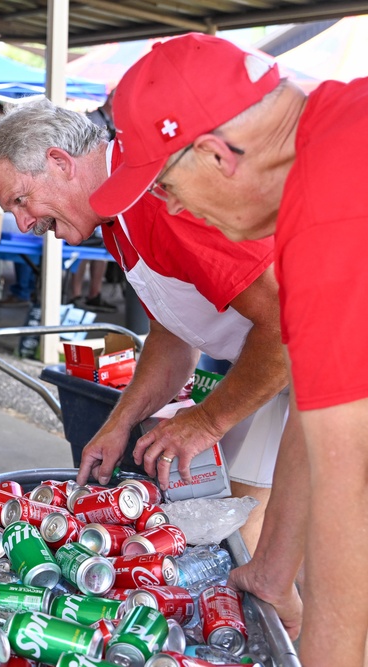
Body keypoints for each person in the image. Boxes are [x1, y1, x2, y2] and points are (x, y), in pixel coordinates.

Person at [92, 33, 368, 663]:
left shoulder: (327, 222)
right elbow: (320, 419)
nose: (171, 207)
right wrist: (273, 568)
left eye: (163, 187)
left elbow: (348, 492)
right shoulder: (343, 121)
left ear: (216, 156)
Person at [0, 99, 290, 555]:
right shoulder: (115, 216)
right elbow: (171, 332)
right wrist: (119, 424)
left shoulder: (161, 197)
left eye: (21, 200)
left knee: (277, 551)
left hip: (326, 365)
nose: (25, 224)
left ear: (60, 163)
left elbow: (286, 322)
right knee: (246, 548)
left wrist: (206, 421)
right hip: (279, 370)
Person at [70, 89, 118, 313]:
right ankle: (76, 292)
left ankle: (94, 293)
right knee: (82, 244)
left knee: (103, 246)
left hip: (109, 193)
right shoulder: (93, 120)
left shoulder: (117, 122)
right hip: (89, 193)